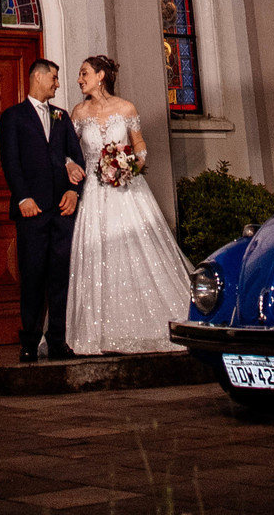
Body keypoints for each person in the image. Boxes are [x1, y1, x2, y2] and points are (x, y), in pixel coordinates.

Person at [65, 54, 192, 354]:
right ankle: (98, 331)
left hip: (126, 189)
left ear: (100, 76)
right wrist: (69, 163)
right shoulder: (79, 112)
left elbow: (139, 144)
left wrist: (131, 165)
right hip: (93, 192)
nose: (80, 79)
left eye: (84, 73)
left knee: (135, 249)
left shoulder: (126, 108)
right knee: (97, 250)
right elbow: (67, 148)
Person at [0, 58, 86, 362]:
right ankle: (29, 341)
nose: (58, 84)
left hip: (62, 211)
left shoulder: (61, 116)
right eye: (54, 78)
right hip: (32, 212)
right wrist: (23, 198)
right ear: (38, 77)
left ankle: (57, 341)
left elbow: (76, 158)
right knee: (33, 276)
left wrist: (74, 192)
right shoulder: (13, 117)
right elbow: (10, 161)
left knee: (60, 278)